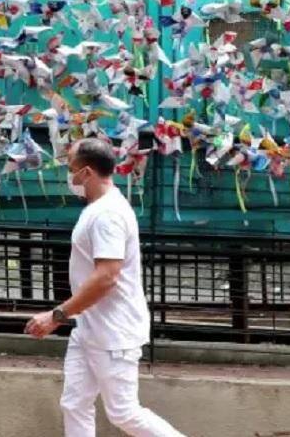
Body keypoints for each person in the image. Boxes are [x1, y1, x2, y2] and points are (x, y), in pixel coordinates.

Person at [24, 138, 185, 437]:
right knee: (75, 404)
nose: (68, 176)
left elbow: (106, 277)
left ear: (86, 173)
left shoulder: (107, 215)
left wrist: (56, 316)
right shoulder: (100, 208)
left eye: (70, 168)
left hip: (113, 334)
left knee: (124, 412)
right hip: (90, 329)